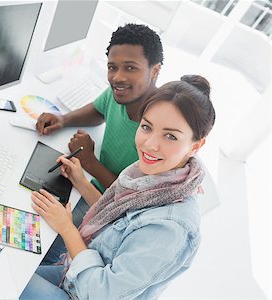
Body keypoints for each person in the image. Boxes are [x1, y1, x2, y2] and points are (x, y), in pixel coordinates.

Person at [20, 75, 216, 300]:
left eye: (170, 136)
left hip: (90, 292)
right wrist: (81, 182)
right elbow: (118, 217)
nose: (150, 144)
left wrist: (67, 228)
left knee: (4, 278)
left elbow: (100, 293)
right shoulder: (155, 174)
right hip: (75, 276)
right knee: (13, 267)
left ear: (196, 145)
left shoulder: (170, 229)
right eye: (146, 127)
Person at [39, 23, 164, 264]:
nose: (118, 78)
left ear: (155, 70)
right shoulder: (120, 95)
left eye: (130, 68)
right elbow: (99, 110)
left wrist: (90, 162)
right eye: (112, 67)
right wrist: (63, 119)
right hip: (86, 184)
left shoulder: (157, 129)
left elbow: (129, 197)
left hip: (108, 209)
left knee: (42, 251)